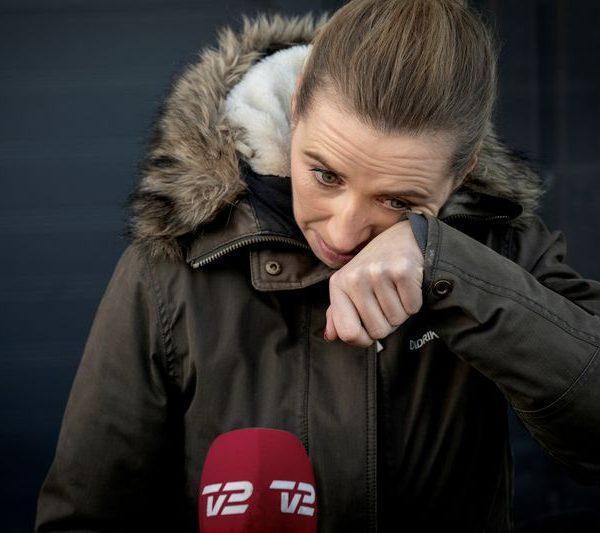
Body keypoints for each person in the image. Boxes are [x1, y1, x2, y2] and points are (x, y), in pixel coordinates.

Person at [36, 0, 600, 531]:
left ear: (463, 170)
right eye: (326, 175)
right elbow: (84, 517)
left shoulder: (500, 247)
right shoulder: (172, 264)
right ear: (296, 104)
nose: (343, 233)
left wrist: (448, 264)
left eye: (398, 200)